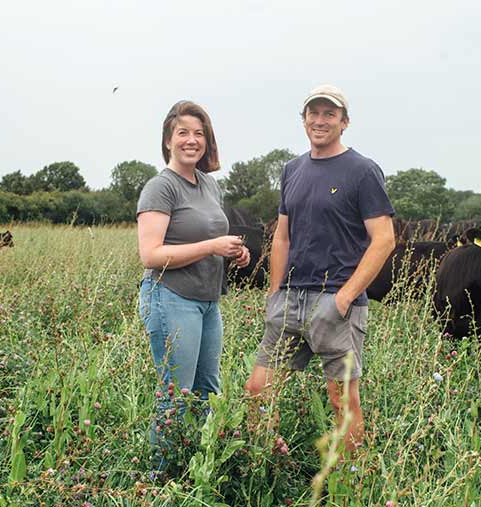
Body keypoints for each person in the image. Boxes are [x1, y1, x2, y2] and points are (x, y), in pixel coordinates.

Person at [244, 84, 395, 453]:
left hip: (336, 306)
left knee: (341, 401)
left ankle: (352, 480)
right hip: (290, 301)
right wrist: (274, 293)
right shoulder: (292, 170)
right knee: (258, 389)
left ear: (345, 122)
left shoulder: (362, 171)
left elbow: (384, 239)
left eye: (330, 114)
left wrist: (343, 299)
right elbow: (282, 236)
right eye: (313, 113)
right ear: (304, 120)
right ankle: (266, 463)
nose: (320, 120)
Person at [137, 100, 250, 472]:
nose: (192, 140)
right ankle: (158, 477)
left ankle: (198, 469)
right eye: (183, 132)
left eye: (199, 133)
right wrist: (211, 247)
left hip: (207, 303)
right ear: (168, 140)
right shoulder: (160, 187)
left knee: (208, 391)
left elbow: (210, 238)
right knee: (176, 394)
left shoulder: (209, 184)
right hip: (171, 299)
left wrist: (233, 253)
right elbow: (151, 255)